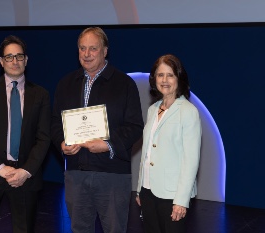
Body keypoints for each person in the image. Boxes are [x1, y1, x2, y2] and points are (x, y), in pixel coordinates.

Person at [51, 27, 144, 233]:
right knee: (79, 229)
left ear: (105, 51)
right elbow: (55, 123)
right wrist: (61, 143)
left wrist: (107, 144)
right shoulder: (65, 83)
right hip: (76, 174)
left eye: (93, 48)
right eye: (82, 48)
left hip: (112, 175)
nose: (86, 54)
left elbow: (135, 126)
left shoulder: (124, 84)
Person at [0, 35, 51, 233]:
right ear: (1, 61)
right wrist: (0, 168)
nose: (15, 61)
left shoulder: (41, 94)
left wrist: (26, 171)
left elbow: (44, 137)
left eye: (19, 56)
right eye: (9, 57)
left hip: (25, 177)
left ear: (26, 60)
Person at [136, 54, 201, 233]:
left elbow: (191, 160)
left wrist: (181, 200)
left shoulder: (188, 111)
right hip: (148, 190)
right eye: (160, 75)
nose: (164, 80)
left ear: (179, 78)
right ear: (154, 79)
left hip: (172, 195)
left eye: (170, 75)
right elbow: (147, 152)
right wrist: (140, 188)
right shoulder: (152, 109)